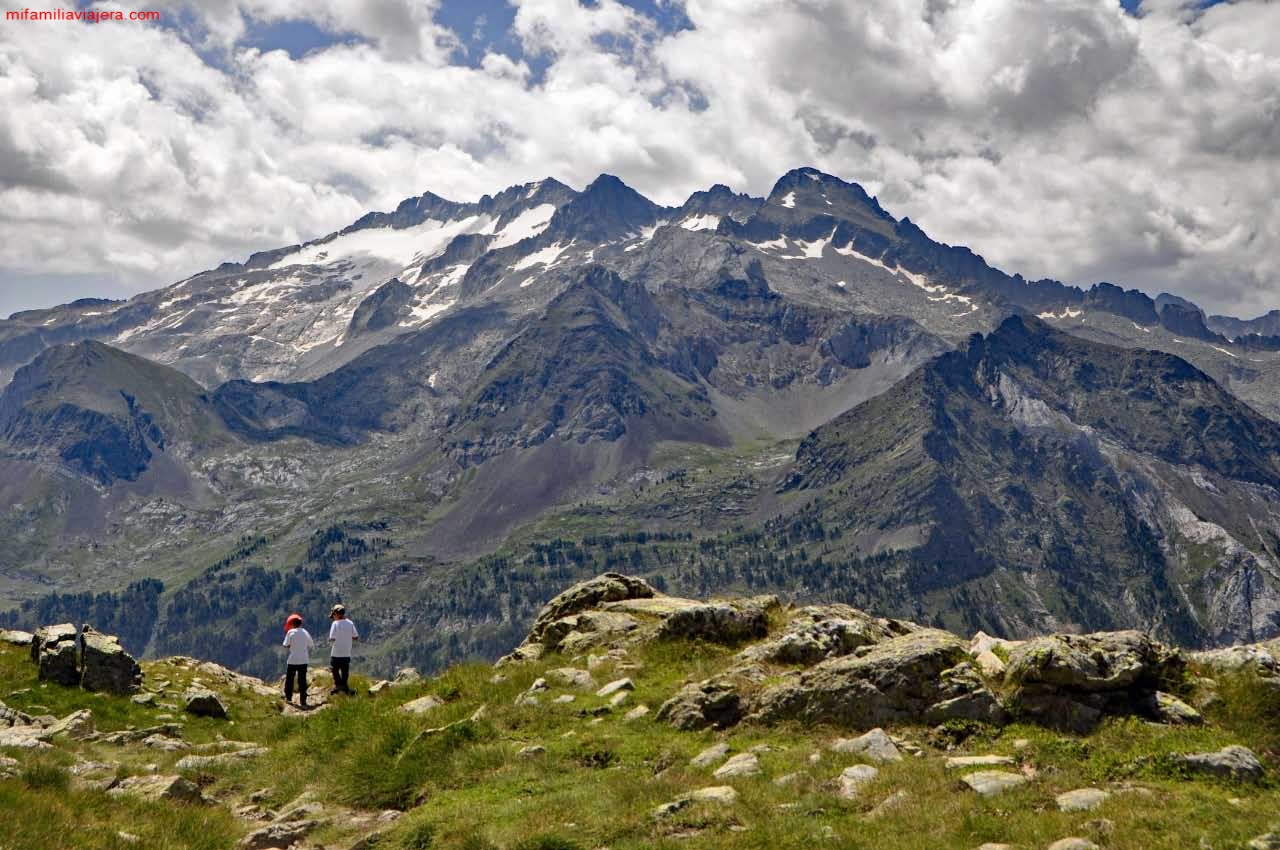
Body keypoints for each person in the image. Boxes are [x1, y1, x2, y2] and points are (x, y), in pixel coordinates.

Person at [282, 613, 314, 708]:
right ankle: (303, 701)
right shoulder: (305, 632)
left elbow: (285, 645)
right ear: (300, 623)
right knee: (302, 680)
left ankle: (288, 698)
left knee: (290, 680)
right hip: (303, 660)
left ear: (292, 624)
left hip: (293, 660)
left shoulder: (290, 633)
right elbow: (311, 644)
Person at [328, 603, 359, 695]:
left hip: (336, 652)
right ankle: (345, 687)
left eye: (333, 615)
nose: (333, 617)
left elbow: (332, 638)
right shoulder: (350, 623)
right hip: (346, 652)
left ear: (336, 614)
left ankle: (338, 685)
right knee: (345, 670)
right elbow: (356, 636)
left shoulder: (335, 624)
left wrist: (333, 642)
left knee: (334, 669)